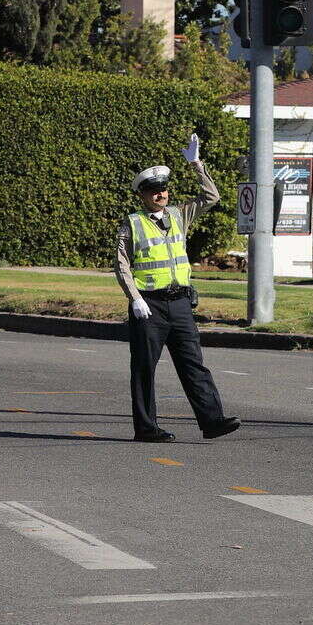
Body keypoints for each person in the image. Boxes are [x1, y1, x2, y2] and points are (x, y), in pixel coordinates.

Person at [115, 133, 241, 443]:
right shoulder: (132, 223)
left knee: (193, 363)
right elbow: (122, 265)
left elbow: (211, 198)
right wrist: (134, 299)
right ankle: (146, 428)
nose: (161, 195)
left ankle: (212, 421)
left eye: (164, 190)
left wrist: (197, 164)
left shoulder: (178, 215)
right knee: (144, 368)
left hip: (180, 303)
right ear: (142, 195)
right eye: (155, 191)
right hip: (150, 306)